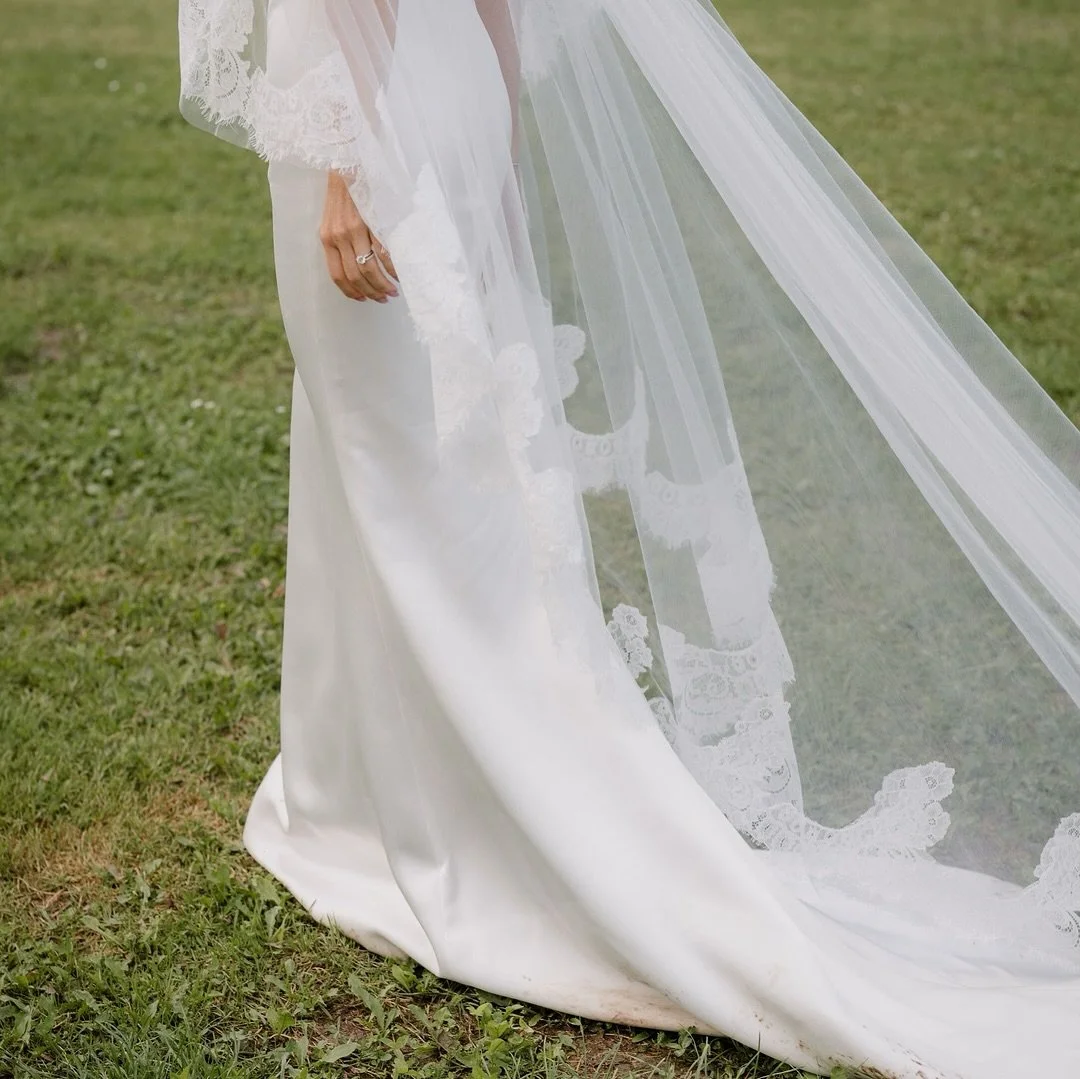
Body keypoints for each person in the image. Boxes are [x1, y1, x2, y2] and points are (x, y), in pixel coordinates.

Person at [179, 1, 1080, 1075]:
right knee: (432, 475)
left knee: (398, 470)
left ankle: (484, 808)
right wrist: (486, 120)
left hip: (363, 107)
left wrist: (347, 163)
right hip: (442, 84)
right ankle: (372, 787)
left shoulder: (353, 134)